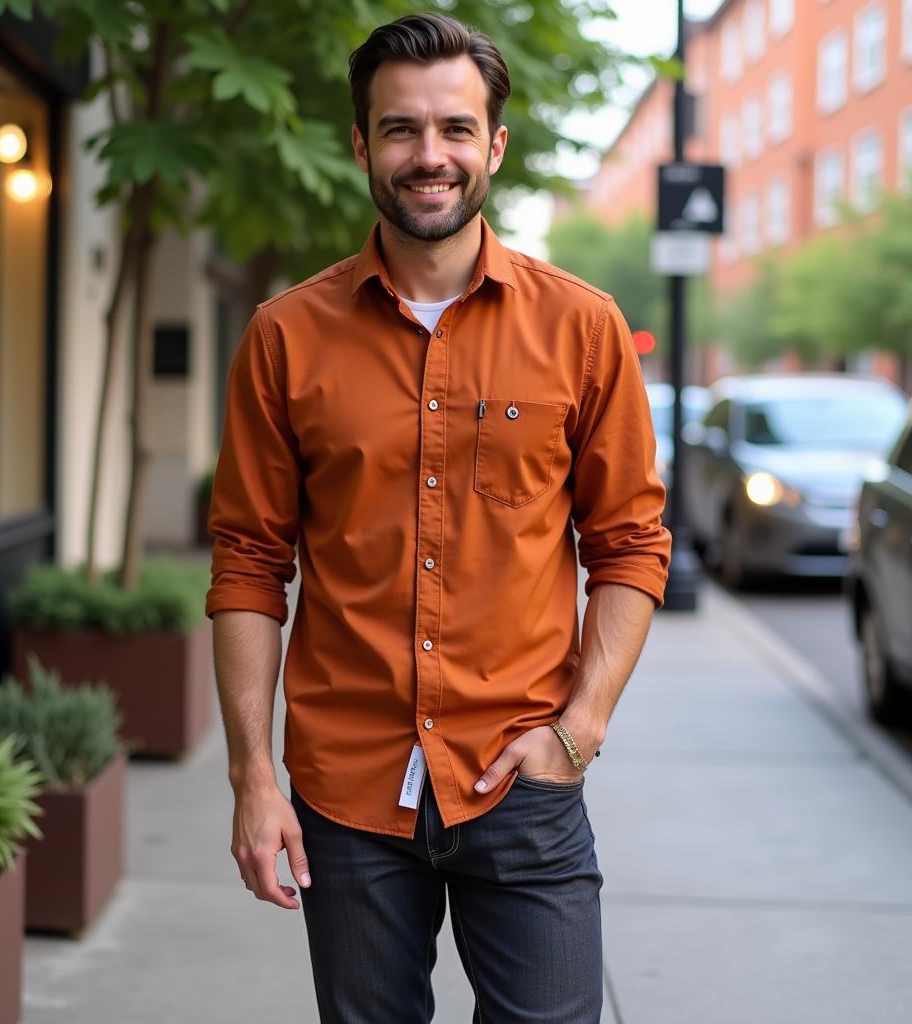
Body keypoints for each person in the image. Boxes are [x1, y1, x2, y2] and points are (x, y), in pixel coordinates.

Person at [205, 11, 671, 1023]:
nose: (431, 156)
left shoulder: (581, 328)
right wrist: (253, 777)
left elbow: (630, 543)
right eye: (403, 130)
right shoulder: (285, 336)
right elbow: (248, 562)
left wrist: (577, 730)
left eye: (455, 130)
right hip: (345, 791)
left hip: (523, 779)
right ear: (362, 143)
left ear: (493, 146)